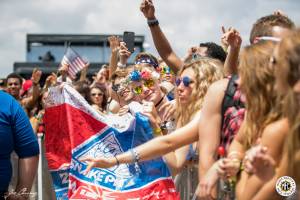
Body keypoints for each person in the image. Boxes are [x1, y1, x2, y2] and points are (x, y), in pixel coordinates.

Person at [0, 90, 39, 200]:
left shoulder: (7, 102)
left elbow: (29, 150)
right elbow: (30, 150)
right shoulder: (7, 102)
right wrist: (22, 195)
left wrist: (21, 195)